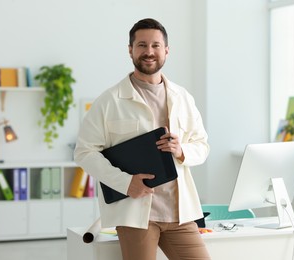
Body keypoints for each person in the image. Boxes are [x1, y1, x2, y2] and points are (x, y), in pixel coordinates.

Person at [74, 18, 210, 260]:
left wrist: (182, 151)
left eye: (156, 45)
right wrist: (126, 183)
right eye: (142, 45)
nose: (149, 52)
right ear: (130, 50)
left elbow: (202, 145)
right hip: (137, 215)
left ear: (166, 50)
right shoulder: (110, 101)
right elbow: (84, 152)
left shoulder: (183, 97)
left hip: (180, 213)